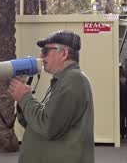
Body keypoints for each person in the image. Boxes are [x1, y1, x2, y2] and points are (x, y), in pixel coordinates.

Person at [8, 31, 94, 163]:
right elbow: (36, 123)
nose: (41, 56)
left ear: (64, 54)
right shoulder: (64, 80)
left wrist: (25, 97)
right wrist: (22, 100)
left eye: (46, 51)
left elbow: (48, 127)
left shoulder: (73, 80)